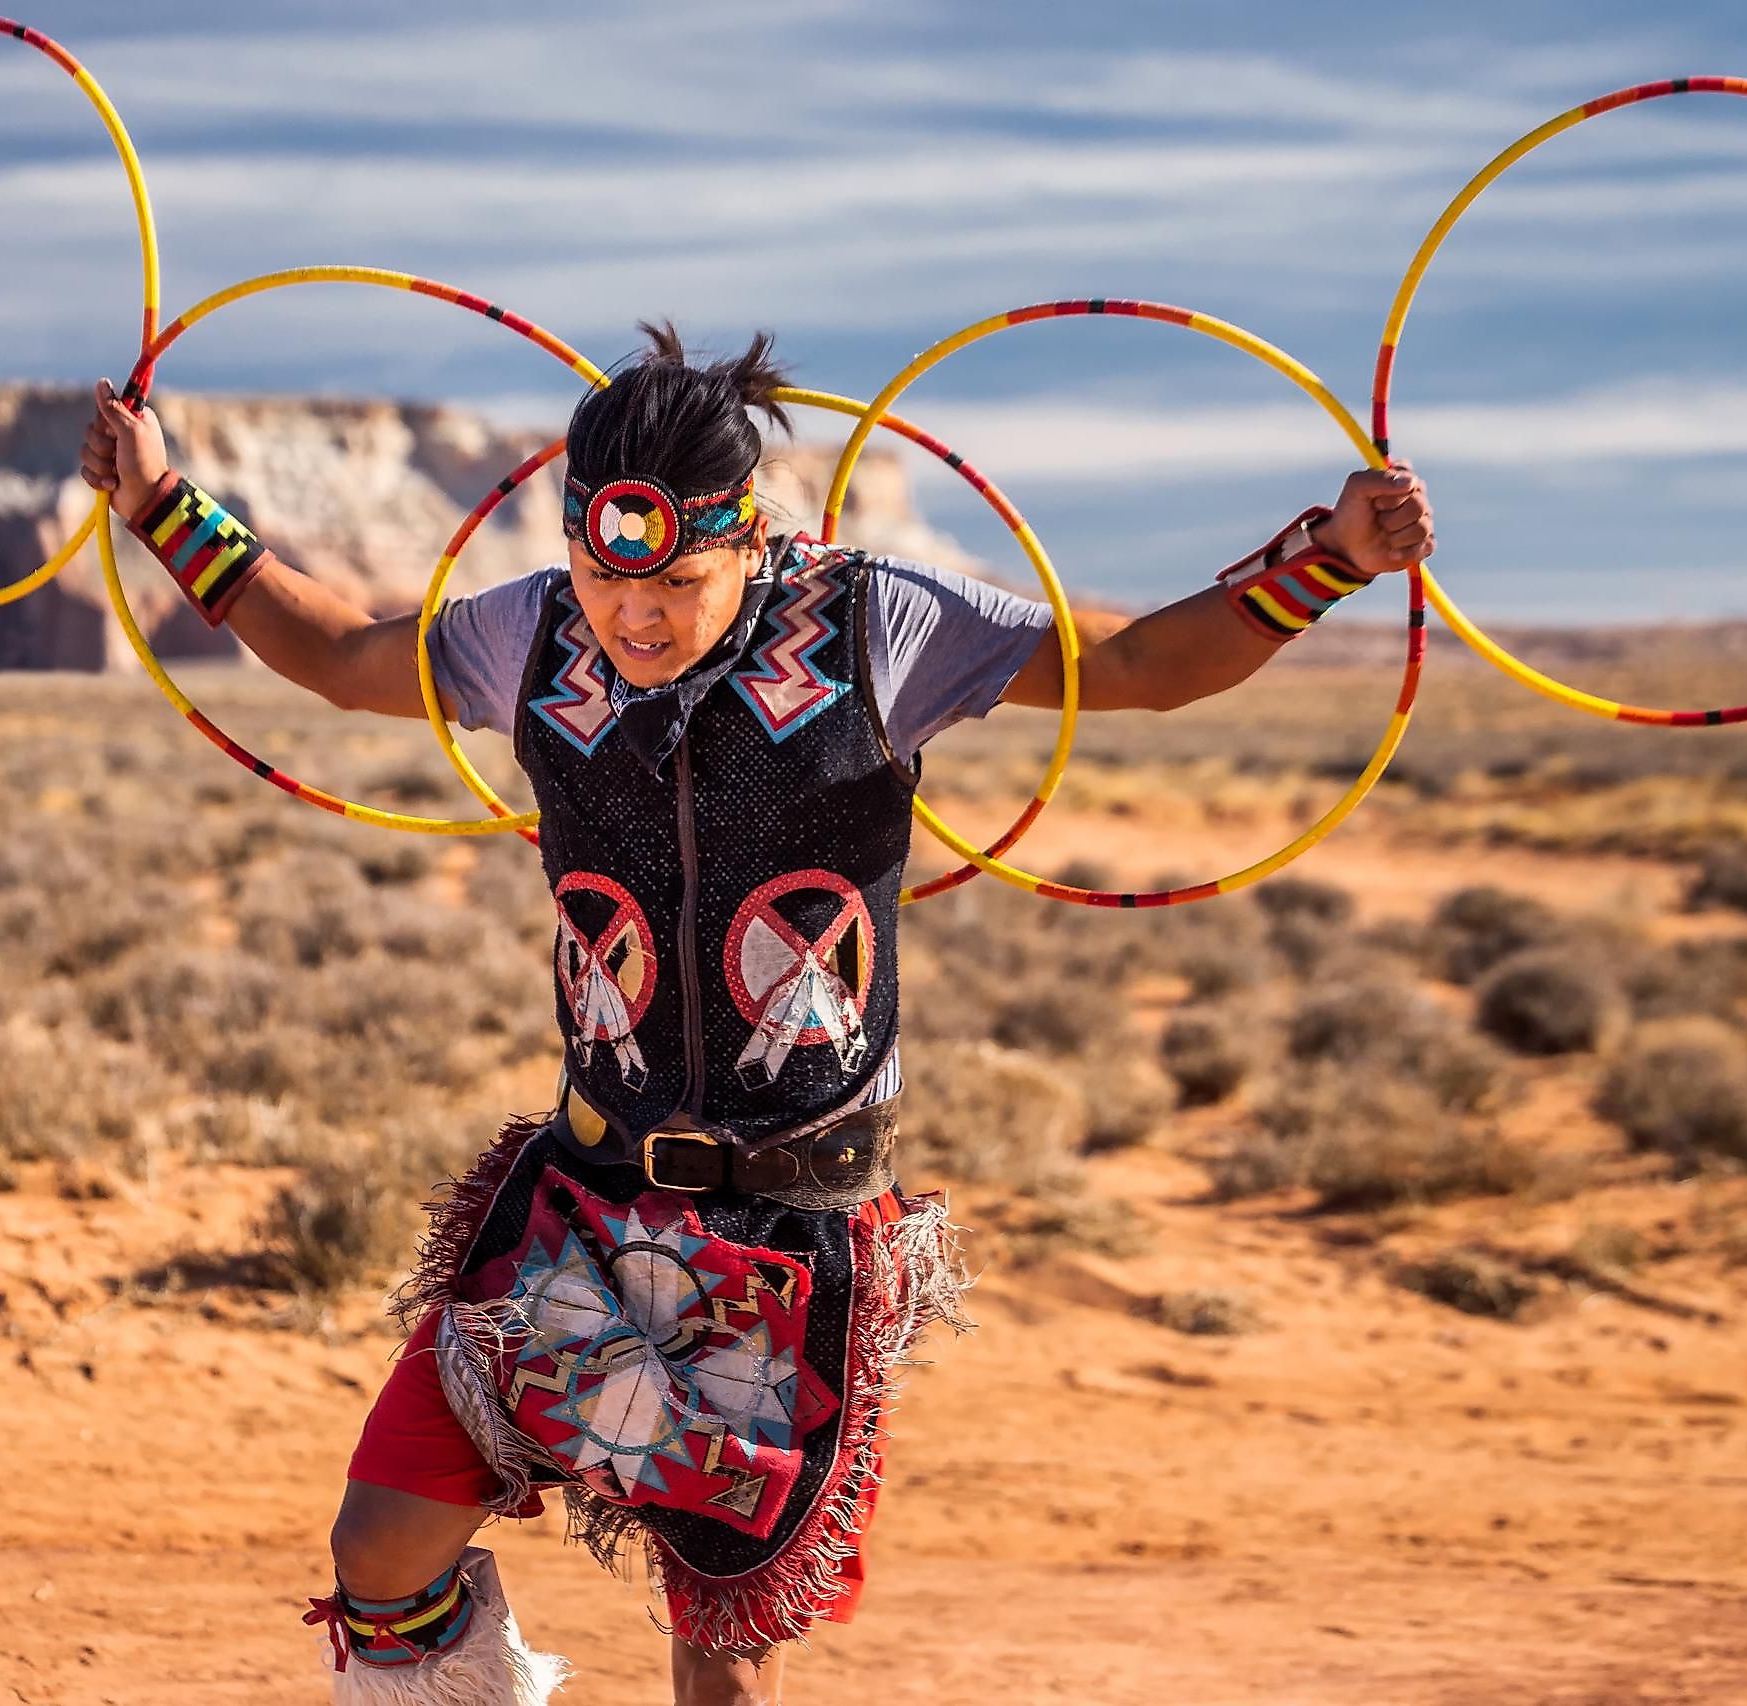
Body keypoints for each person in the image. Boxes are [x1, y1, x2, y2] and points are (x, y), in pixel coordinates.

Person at [80, 326, 1435, 1706]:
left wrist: (1329, 557)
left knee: (721, 1678)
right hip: (581, 1202)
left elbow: (1140, 665)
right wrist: (158, 505)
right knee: (376, 1548)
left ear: (752, 537)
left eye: (676, 579)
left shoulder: (876, 626)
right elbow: (346, 656)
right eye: (610, 576)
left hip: (785, 1237)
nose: (637, 616)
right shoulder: (531, 633)